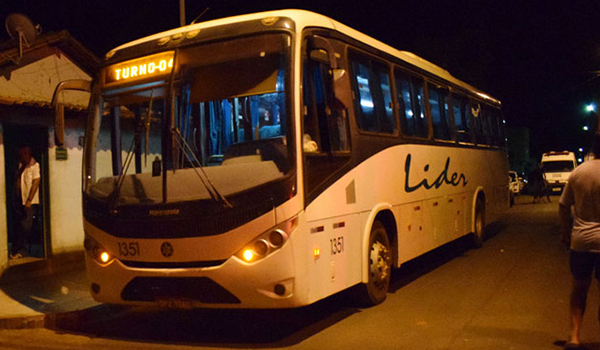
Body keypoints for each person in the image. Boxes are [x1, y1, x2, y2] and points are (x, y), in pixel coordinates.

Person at [559, 133, 600, 349]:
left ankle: (574, 336)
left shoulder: (579, 172)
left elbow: (564, 205)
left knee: (579, 288)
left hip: (582, 240)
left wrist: (565, 233)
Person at [11, 145, 40, 259]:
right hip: (20, 201)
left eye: (24, 154)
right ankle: (17, 250)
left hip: (30, 202)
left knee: (25, 227)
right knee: (19, 226)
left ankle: (22, 251)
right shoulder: (21, 166)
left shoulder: (35, 166)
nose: (22, 156)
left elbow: (36, 182)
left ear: (28, 153)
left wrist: (29, 200)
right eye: (21, 154)